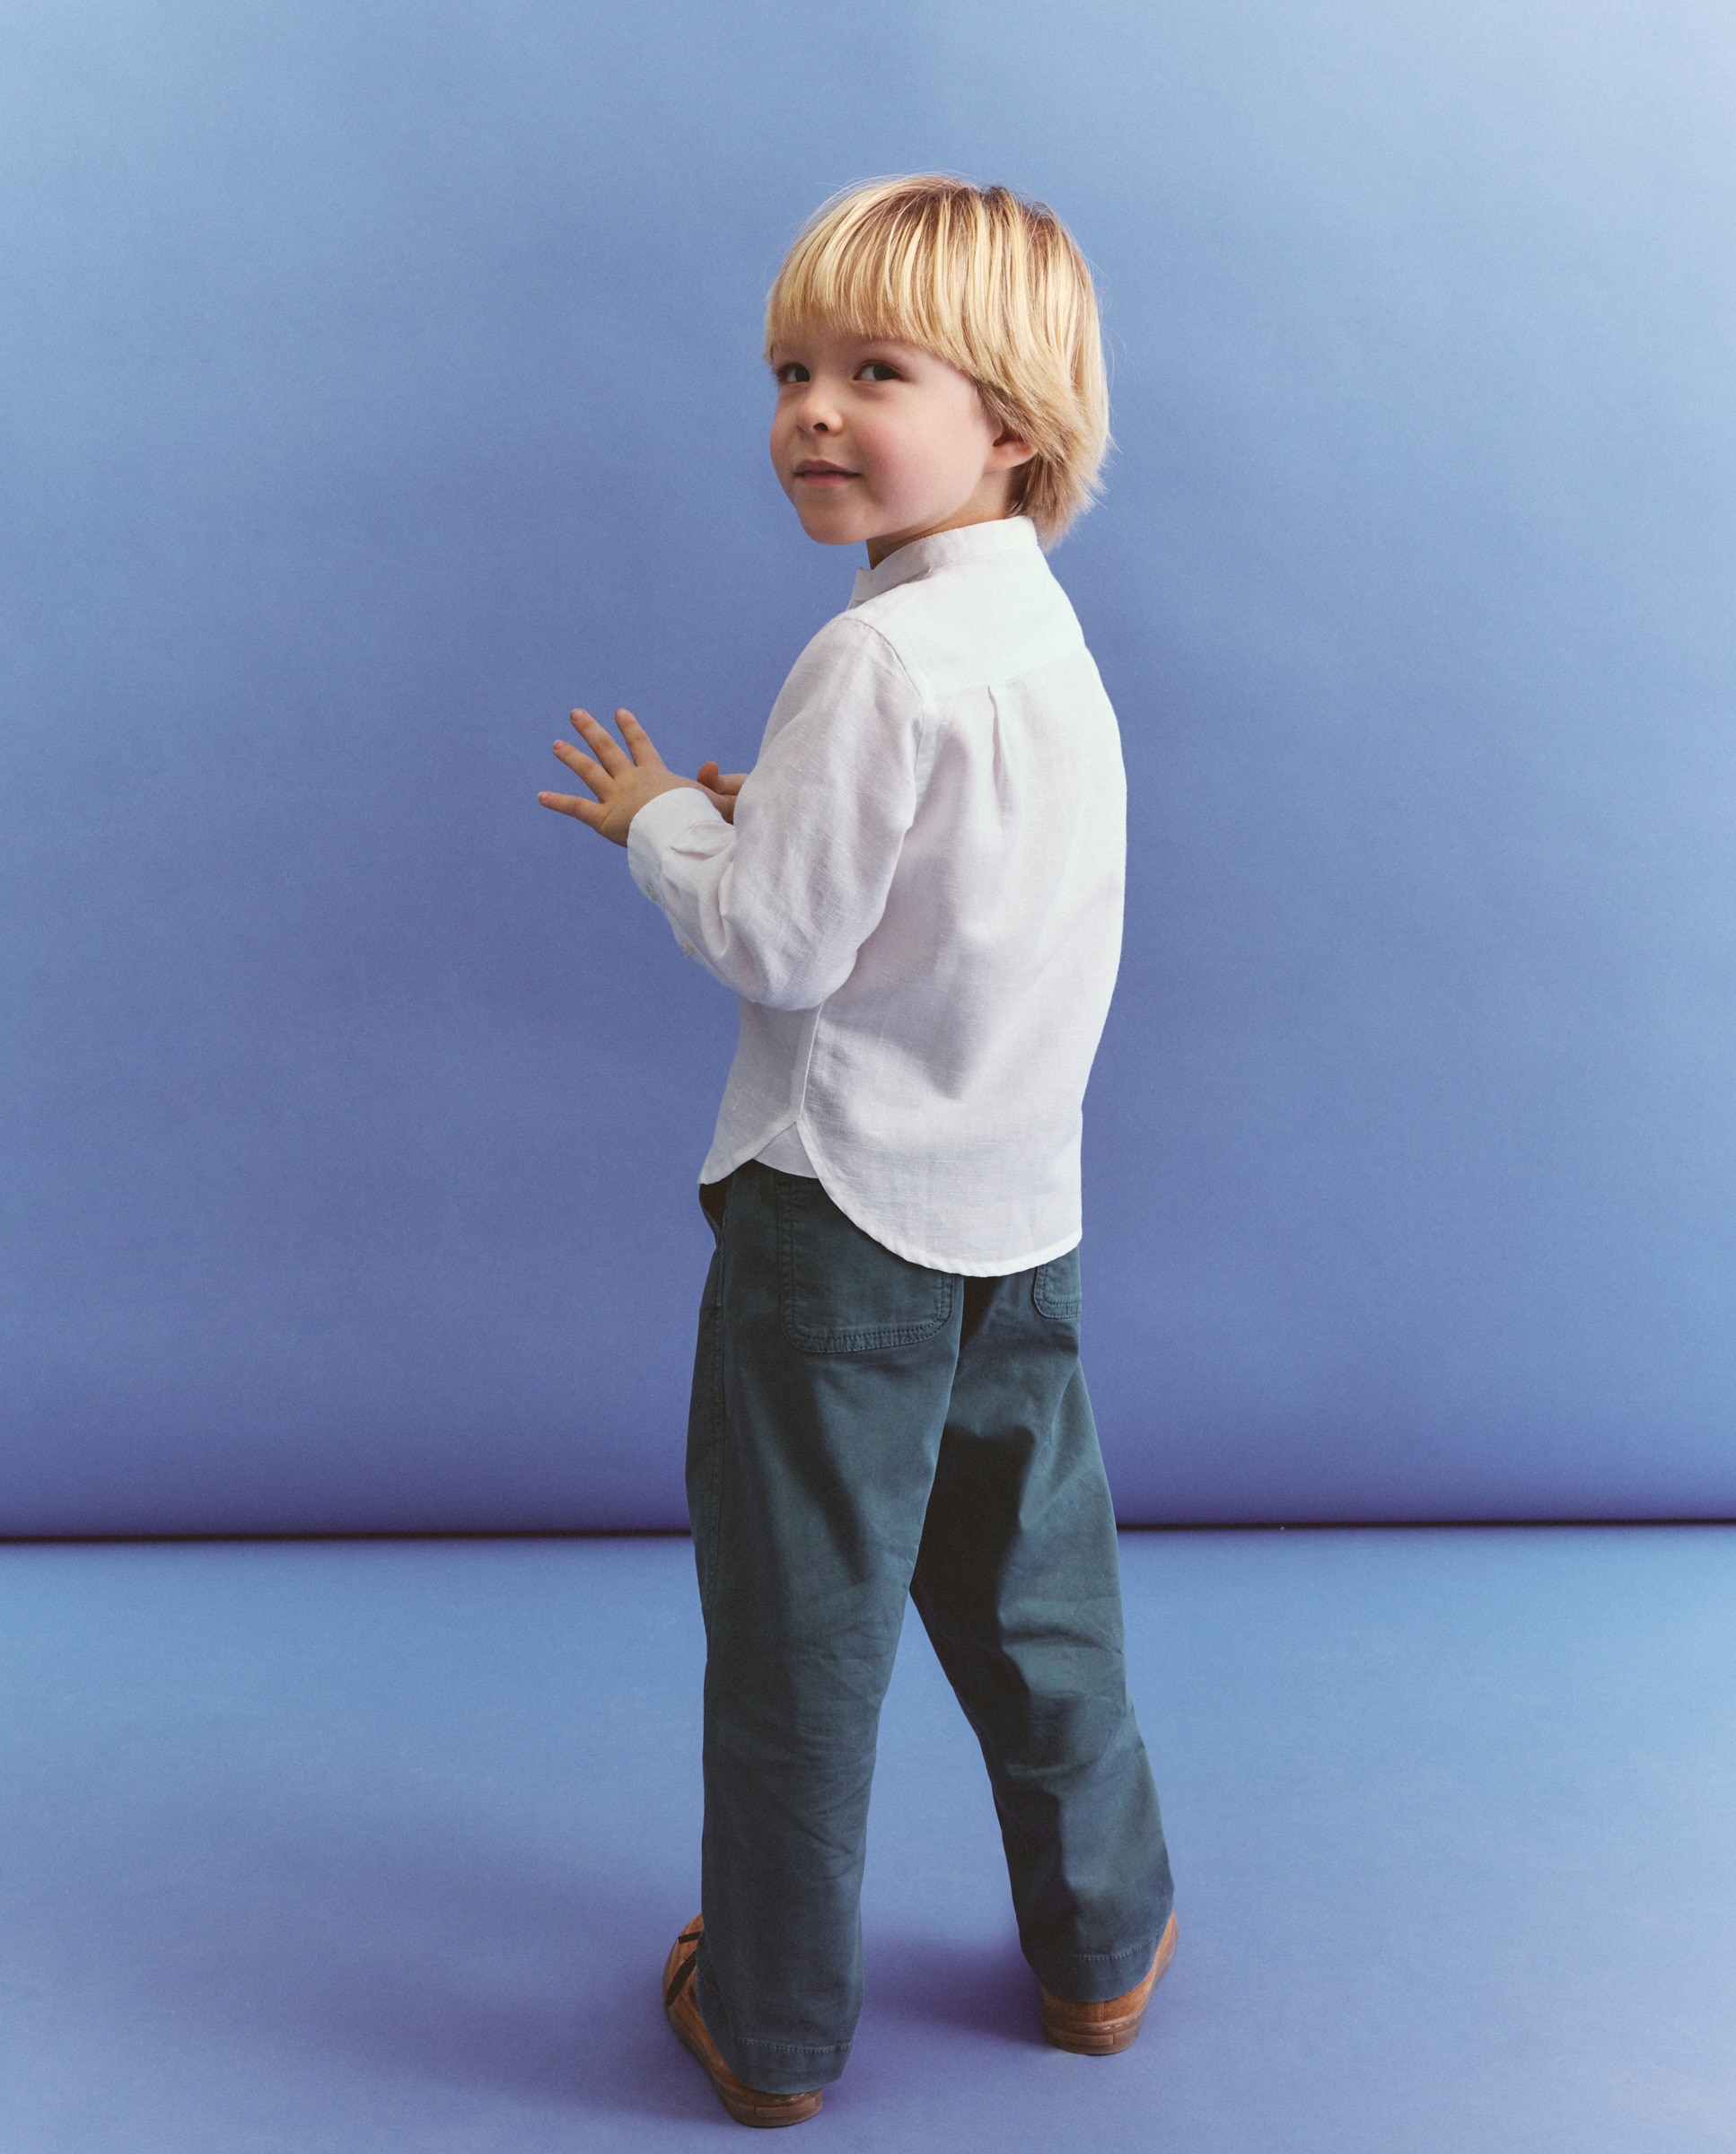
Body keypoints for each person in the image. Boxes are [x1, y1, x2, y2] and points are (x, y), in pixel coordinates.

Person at [539, 174, 1175, 2130]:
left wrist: (660, 819)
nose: (810, 411)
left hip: (839, 1237)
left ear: (1012, 423)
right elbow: (952, 904)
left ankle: (778, 2025)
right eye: (791, 371)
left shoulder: (874, 660)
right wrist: (773, 816)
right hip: (1014, 1211)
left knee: (802, 1639)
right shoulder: (1034, 640)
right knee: (1034, 1594)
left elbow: (775, 943)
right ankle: (1100, 1945)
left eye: (871, 372)